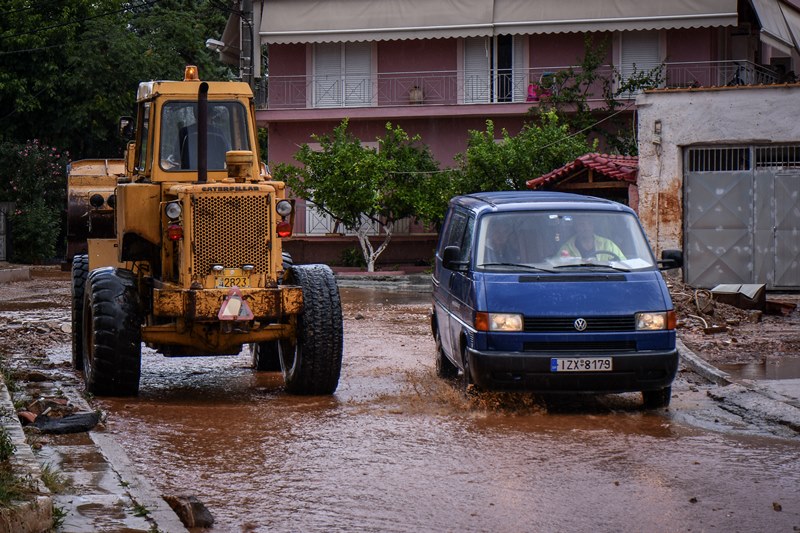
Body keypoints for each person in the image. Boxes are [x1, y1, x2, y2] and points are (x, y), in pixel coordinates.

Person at [558, 216, 625, 261]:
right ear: (576, 227)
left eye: (589, 224)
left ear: (593, 226)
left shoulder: (607, 244)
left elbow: (623, 263)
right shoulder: (567, 247)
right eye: (582, 224)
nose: (586, 228)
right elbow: (556, 265)